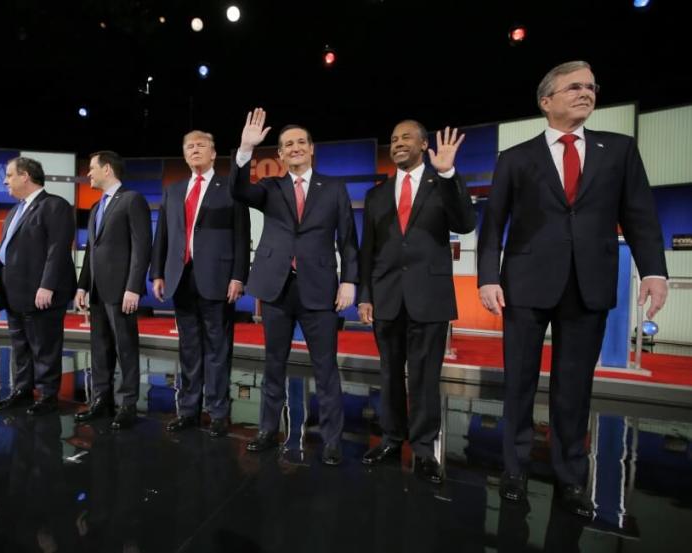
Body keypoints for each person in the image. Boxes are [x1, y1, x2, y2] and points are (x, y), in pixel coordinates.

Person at [477, 61, 668, 517]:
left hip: (589, 282)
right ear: (546, 101)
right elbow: (493, 225)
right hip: (524, 284)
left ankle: (570, 478)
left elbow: (640, 214)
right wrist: (487, 276)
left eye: (590, 86)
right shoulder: (515, 158)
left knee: (574, 388)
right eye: (574, 87)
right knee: (519, 383)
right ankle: (515, 472)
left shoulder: (618, 150)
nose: (586, 93)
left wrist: (655, 271)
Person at [231, 108, 359, 466]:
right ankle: (267, 430)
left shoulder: (333, 188)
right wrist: (244, 149)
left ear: (312, 148)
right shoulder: (270, 188)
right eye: (288, 144)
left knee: (325, 368)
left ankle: (332, 441)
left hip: (320, 288)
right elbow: (238, 190)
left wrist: (349, 280)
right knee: (273, 364)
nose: (296, 147)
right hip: (276, 288)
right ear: (281, 155)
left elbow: (348, 240)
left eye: (302, 142)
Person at [357, 121, 475, 483]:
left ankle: (424, 448)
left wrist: (449, 173)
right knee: (390, 373)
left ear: (424, 144)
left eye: (406, 137)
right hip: (387, 296)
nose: (398, 143)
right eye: (392, 139)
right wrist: (365, 296)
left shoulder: (441, 183)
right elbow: (368, 251)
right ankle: (392, 438)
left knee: (424, 377)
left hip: (429, 296)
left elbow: (466, 222)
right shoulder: (378, 194)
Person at [150, 131, 250, 437]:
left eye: (200, 146)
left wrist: (238, 275)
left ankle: (218, 411)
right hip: (180, 278)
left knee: (218, 349)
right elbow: (163, 235)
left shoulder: (229, 187)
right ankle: (189, 410)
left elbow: (241, 234)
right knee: (189, 348)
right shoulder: (173, 190)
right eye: (189, 147)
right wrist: (157, 272)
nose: (195, 150)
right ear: (184, 154)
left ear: (213, 151)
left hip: (218, 279)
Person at [0, 156, 77, 415]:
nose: (5, 180)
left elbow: (58, 249)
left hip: (42, 291)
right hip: (13, 291)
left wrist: (47, 285)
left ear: (25, 175)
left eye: (9, 174)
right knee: (20, 347)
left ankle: (48, 396)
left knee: (44, 347)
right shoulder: (15, 211)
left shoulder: (54, 205)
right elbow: (4, 250)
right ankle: (22, 391)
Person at [74, 150, 152, 430]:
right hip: (96, 289)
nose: (89, 174)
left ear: (107, 169)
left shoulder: (132, 200)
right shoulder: (97, 208)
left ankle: (128, 403)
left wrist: (133, 287)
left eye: (92, 168)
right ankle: (101, 401)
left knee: (125, 348)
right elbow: (92, 251)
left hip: (121, 291)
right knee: (100, 348)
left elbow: (142, 247)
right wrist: (82, 285)